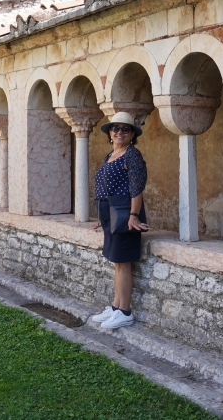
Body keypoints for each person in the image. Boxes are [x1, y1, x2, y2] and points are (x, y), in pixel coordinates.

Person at [91, 112, 149, 329]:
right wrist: (102, 218)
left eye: (125, 129)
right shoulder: (110, 156)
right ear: (110, 133)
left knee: (123, 263)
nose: (119, 132)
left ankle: (125, 311)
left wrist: (133, 216)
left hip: (125, 213)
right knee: (117, 262)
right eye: (115, 128)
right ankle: (116, 307)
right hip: (111, 213)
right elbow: (105, 189)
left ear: (133, 134)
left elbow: (137, 187)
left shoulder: (132, 155)